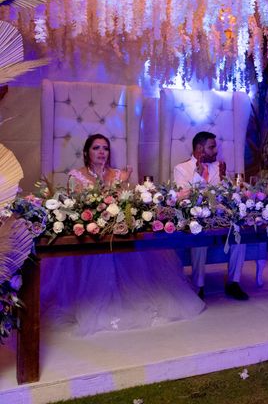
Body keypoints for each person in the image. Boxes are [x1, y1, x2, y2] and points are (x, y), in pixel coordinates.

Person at [42, 134, 205, 336]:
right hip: (91, 233)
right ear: (86, 152)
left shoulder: (119, 174)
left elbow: (129, 204)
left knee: (135, 254)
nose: (102, 152)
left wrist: (122, 183)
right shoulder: (77, 176)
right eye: (96, 148)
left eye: (105, 148)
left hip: (118, 230)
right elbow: (77, 207)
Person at [173, 131, 250, 301]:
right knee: (199, 236)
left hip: (221, 218)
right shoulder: (181, 168)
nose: (216, 151)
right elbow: (184, 196)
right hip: (197, 219)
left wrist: (224, 179)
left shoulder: (218, 166)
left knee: (239, 234)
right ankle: (199, 285)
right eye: (212, 147)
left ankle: (233, 283)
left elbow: (228, 194)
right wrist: (198, 174)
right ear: (200, 148)